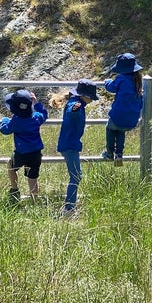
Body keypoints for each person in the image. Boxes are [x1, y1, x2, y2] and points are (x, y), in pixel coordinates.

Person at [50, 79, 99, 214]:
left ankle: (70, 207)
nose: (92, 100)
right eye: (91, 98)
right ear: (85, 96)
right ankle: (69, 208)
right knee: (76, 176)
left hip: (69, 144)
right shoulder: (75, 104)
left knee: (76, 175)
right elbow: (72, 111)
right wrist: (75, 110)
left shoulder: (76, 102)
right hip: (69, 144)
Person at [0, 89, 49, 201]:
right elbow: (45, 114)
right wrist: (36, 103)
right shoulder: (36, 117)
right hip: (36, 154)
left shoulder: (16, 120)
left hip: (21, 153)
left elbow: (5, 130)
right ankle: (34, 200)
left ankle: (14, 189)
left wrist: (4, 120)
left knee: (11, 167)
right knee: (32, 178)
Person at [102, 53, 144, 167]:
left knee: (110, 128)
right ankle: (119, 154)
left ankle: (109, 153)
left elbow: (112, 88)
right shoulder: (138, 81)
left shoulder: (121, 78)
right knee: (121, 131)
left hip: (118, 114)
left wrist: (107, 82)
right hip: (132, 117)